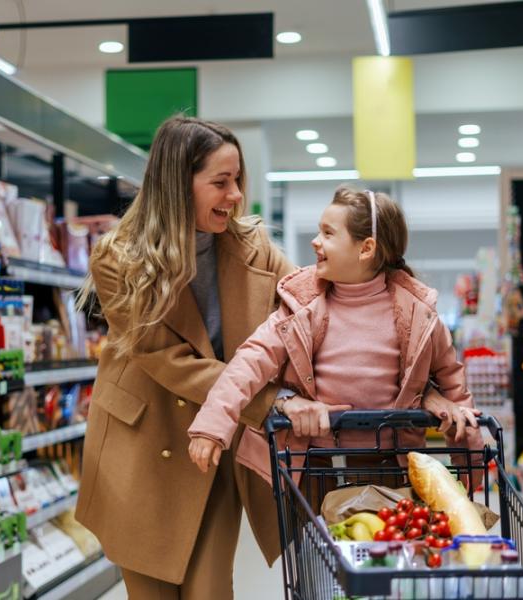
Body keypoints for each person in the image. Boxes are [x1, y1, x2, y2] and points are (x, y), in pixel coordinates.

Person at [76, 117, 473, 599]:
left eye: (238, 180)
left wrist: (424, 387)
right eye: (221, 182)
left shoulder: (254, 248)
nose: (235, 195)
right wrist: (276, 401)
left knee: (209, 590)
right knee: (152, 591)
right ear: (178, 184)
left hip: (216, 445)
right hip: (143, 438)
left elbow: (334, 311)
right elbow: (165, 358)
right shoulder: (118, 258)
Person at [187, 185, 484, 496]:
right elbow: (250, 361)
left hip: (390, 465)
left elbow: (452, 381)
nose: (316, 241)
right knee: (318, 528)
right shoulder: (300, 307)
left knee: (386, 528)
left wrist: (471, 461)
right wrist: (212, 425)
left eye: (328, 233)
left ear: (366, 248)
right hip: (314, 462)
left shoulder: (417, 314)